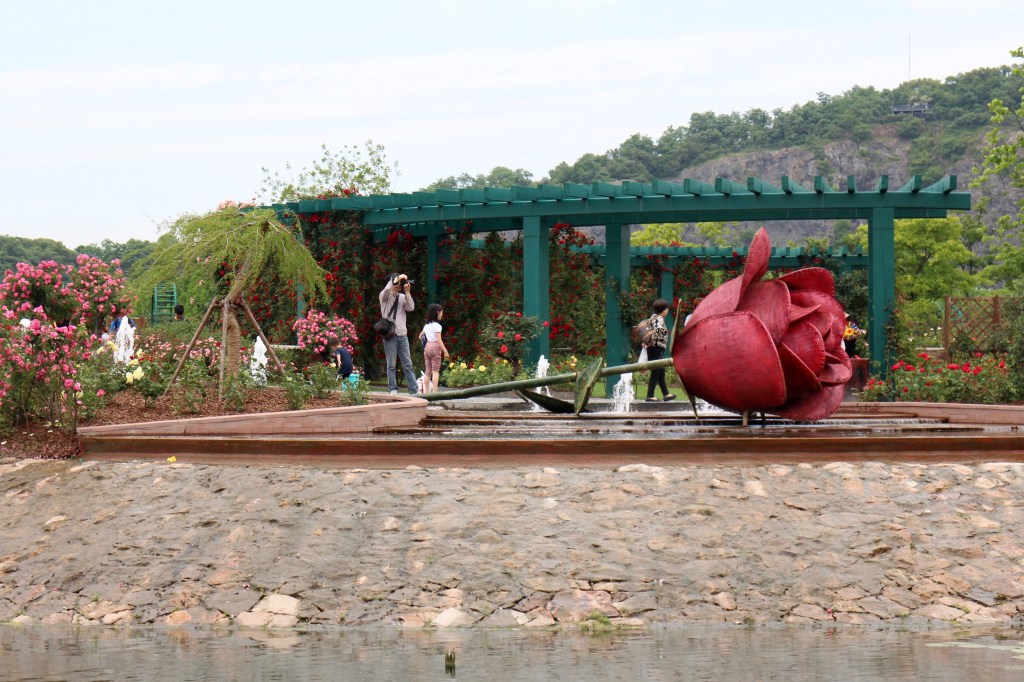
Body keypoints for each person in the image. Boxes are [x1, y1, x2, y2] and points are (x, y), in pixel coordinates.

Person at [378, 273, 418, 395]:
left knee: (408, 363)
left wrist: (407, 292)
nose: (398, 285)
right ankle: (393, 389)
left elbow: (411, 308)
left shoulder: (401, 297)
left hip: (402, 334)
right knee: (391, 364)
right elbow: (386, 290)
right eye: (397, 283)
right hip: (390, 335)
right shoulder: (384, 296)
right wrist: (394, 280)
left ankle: (413, 390)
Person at [642, 298, 676, 403]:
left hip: (653, 347)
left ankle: (666, 394)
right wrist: (654, 340)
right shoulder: (659, 319)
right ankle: (650, 395)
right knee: (656, 371)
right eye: (667, 309)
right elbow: (656, 331)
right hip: (656, 347)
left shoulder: (652, 317)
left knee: (660, 371)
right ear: (664, 310)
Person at [421, 303, 450, 394]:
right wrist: (445, 351)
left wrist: (426, 344)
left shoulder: (426, 325)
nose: (442, 315)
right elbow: (439, 340)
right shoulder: (437, 326)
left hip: (427, 347)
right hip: (435, 347)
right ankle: (434, 393)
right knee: (435, 371)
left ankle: (426, 393)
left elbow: (420, 336)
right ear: (437, 312)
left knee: (427, 371)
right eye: (441, 313)